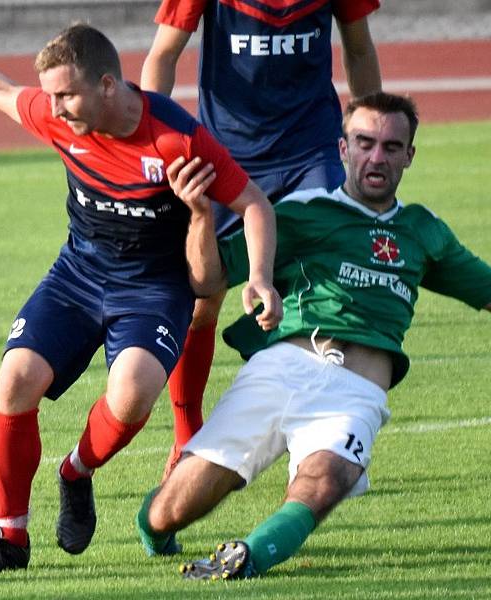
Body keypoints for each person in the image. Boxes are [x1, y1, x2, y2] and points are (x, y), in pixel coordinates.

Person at [137, 92, 491, 580]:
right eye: (365, 143)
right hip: (283, 369)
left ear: (409, 156)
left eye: (391, 147)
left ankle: (248, 557)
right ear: (343, 149)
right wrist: (201, 217)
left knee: (328, 479)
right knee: (174, 507)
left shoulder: (424, 230)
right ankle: (155, 530)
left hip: (357, 391)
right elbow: (208, 281)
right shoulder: (300, 211)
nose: (377, 157)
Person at [0, 23, 281, 574]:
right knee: (14, 380)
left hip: (154, 288)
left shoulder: (175, 139)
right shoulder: (57, 115)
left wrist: (259, 275)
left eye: (66, 94)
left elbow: (255, 204)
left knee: (133, 394)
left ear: (108, 84)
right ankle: (9, 539)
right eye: (51, 95)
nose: (55, 107)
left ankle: (76, 471)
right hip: (78, 273)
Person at [140, 0, 383, 477]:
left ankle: (313, 442)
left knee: (327, 289)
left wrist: (369, 131)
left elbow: (359, 48)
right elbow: (163, 54)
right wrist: (152, 141)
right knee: (201, 296)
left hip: (311, 151)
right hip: (226, 154)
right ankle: (188, 434)